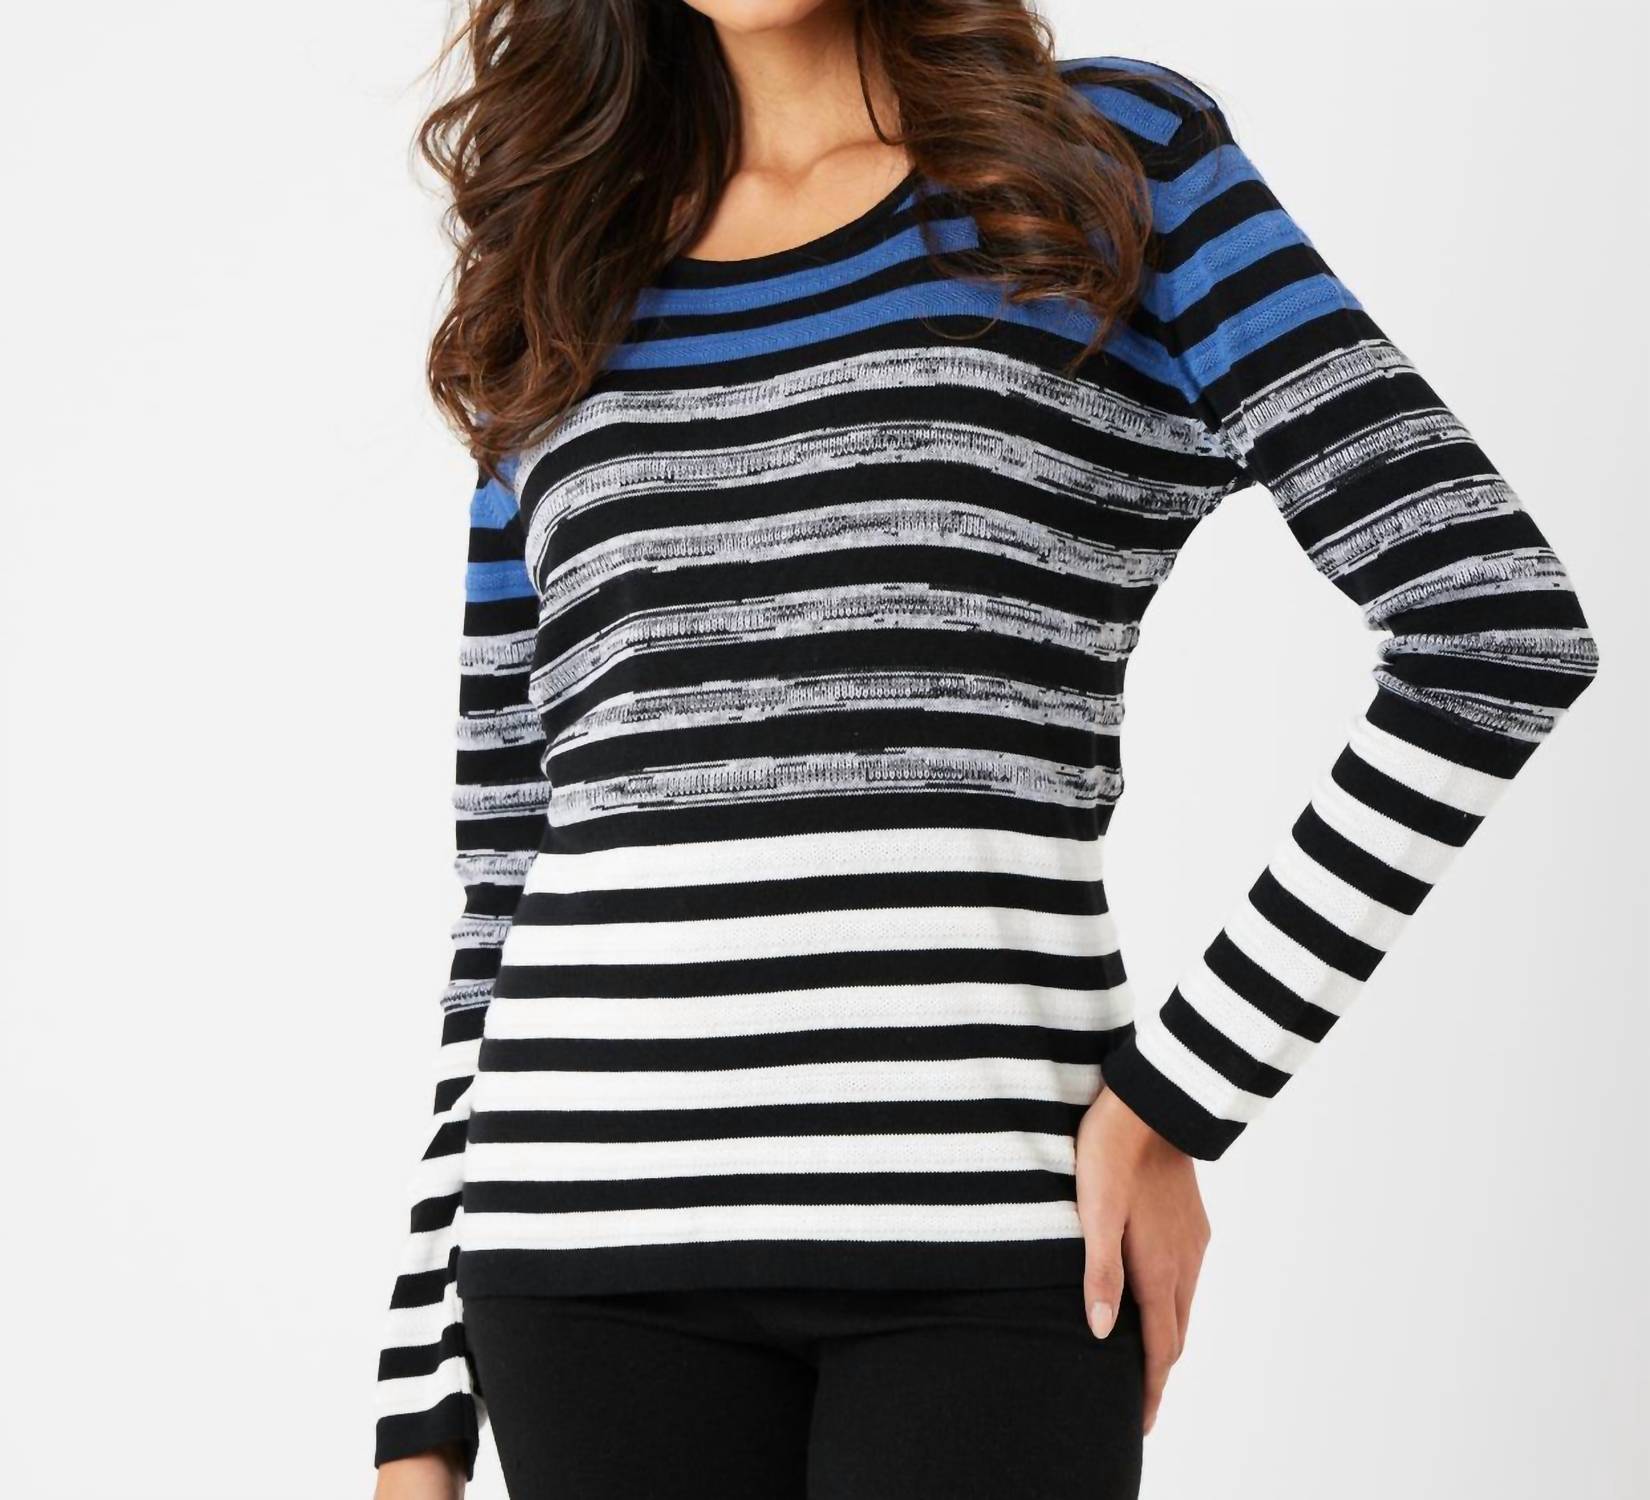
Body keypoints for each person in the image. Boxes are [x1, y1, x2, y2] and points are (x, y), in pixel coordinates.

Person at [370, 3, 1600, 1496]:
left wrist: (1174, 1096)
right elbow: (508, 869)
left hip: (991, 1233)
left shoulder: (1103, 166)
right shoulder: (566, 255)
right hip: (581, 1252)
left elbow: (1492, 630)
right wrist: (420, 1406)